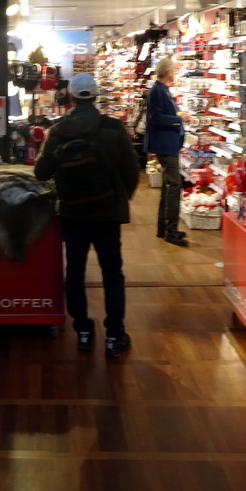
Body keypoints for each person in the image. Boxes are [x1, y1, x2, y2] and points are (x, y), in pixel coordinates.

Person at [34, 72, 141, 358]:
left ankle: (82, 329)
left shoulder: (58, 131)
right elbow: (132, 170)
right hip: (107, 213)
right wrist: (119, 198)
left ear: (70, 96)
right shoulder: (113, 127)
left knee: (75, 273)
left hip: (72, 212)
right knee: (112, 274)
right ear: (96, 96)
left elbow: (41, 172)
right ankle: (115, 334)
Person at [145, 56, 190, 246]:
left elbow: (164, 114)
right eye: (173, 70)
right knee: (173, 186)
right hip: (166, 144)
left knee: (169, 186)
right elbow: (156, 118)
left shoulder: (162, 90)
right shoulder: (157, 91)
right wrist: (179, 119)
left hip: (168, 143)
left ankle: (163, 229)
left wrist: (179, 115)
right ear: (168, 72)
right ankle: (170, 230)